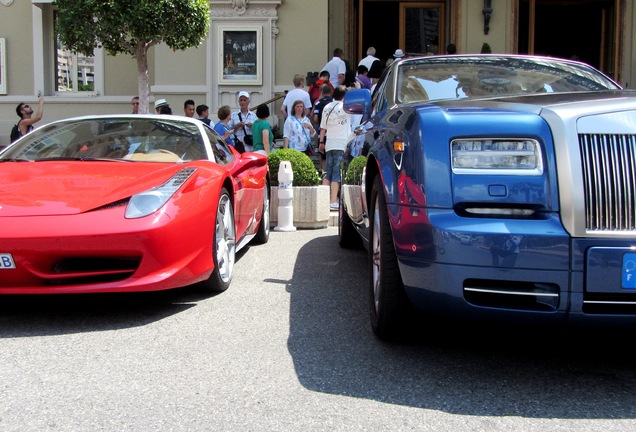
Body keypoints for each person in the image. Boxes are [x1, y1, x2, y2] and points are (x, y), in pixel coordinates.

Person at [319, 85, 356, 210]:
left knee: (328, 172)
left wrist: (321, 142)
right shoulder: (347, 108)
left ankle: (323, 201)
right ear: (345, 96)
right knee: (336, 173)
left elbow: (323, 128)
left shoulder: (326, 107)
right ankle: (333, 201)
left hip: (329, 143)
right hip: (341, 143)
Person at [312, 84, 334, 173]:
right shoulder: (334, 102)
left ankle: (323, 175)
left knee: (323, 156)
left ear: (322, 92)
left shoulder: (318, 103)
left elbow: (315, 118)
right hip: (333, 132)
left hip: (322, 132)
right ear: (331, 92)